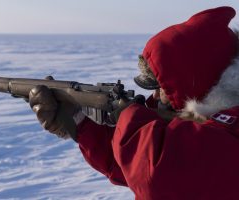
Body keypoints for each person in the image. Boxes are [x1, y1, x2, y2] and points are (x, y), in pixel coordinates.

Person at [29, 6, 239, 200]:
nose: (156, 96)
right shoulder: (208, 126)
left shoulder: (230, 130)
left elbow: (159, 176)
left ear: (194, 81)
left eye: (162, 86)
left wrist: (130, 118)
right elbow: (132, 166)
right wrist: (80, 124)